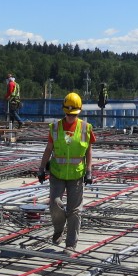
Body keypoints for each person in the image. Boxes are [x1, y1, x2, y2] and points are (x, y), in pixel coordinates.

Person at [38, 92, 95, 253]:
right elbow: (48, 149)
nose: (70, 117)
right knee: (55, 204)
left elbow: (89, 151)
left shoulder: (85, 128)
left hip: (77, 175)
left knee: (75, 211)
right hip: (57, 173)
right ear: (64, 111)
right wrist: (41, 169)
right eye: (68, 114)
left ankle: (70, 245)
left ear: (78, 112)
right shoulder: (55, 127)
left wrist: (89, 171)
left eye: (73, 114)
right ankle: (58, 229)